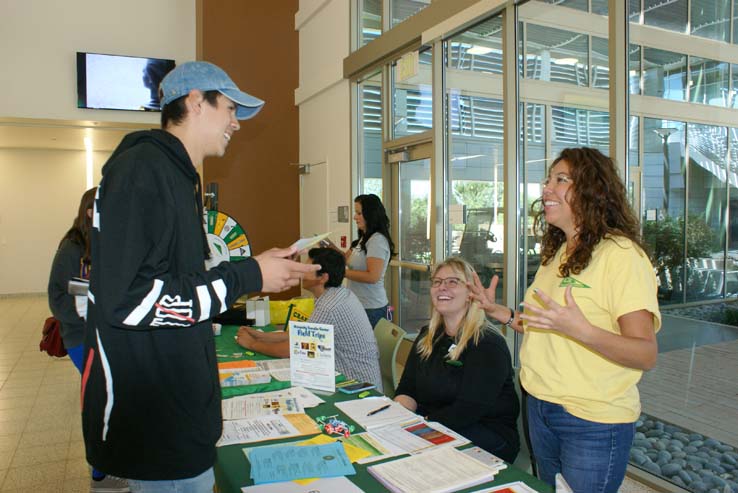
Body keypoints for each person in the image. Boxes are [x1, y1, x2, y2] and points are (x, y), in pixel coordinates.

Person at [81, 61, 320, 492]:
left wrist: (255, 270)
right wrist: (247, 275)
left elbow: (176, 282)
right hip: (160, 428)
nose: (236, 123)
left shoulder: (175, 176)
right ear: (195, 101)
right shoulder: (143, 171)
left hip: (178, 415)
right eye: (229, 108)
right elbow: (128, 299)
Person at [470, 147, 661, 492]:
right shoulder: (559, 252)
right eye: (547, 180)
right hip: (540, 407)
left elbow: (645, 353)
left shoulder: (622, 256)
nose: (546, 189)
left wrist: (583, 331)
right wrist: (508, 315)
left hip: (592, 419)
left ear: (593, 189)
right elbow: (550, 322)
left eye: (561, 179)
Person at [394, 257, 520, 463]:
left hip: (485, 434)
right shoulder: (428, 335)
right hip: (435, 424)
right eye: (437, 282)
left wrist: (419, 428)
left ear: (471, 294)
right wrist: (398, 418)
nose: (442, 287)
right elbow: (408, 387)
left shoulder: (487, 344)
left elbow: (467, 410)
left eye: (453, 282)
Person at [49, 187, 129, 492]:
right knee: (101, 401)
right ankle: (102, 475)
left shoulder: (110, 243)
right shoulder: (71, 248)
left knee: (113, 399)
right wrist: (85, 320)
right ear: (89, 212)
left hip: (107, 336)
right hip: (81, 338)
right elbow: (56, 296)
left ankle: (114, 464)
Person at [236, 247, 382, 391]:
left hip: (357, 386)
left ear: (323, 278)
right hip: (354, 377)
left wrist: (253, 344)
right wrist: (263, 336)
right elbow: (303, 334)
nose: (301, 273)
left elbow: (291, 349)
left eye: (307, 269)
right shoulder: (339, 293)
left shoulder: (328, 306)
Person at [338, 194, 395, 329]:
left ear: (370, 214)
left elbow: (372, 276)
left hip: (372, 309)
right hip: (359, 305)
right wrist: (329, 248)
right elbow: (344, 259)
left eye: (359, 213)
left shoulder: (377, 240)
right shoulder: (363, 239)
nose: (354, 217)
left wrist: (342, 272)